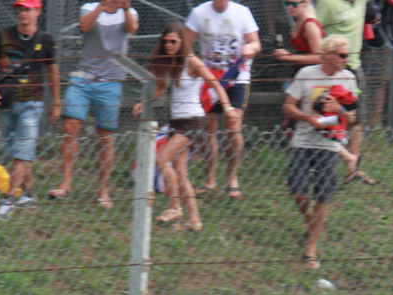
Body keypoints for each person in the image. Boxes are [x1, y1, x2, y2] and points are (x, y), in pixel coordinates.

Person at [133, 22, 235, 231]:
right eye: (166, 41)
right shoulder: (166, 63)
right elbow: (160, 89)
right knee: (180, 172)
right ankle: (195, 220)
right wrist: (144, 102)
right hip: (176, 121)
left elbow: (215, 84)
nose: (169, 45)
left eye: (174, 41)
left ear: (182, 42)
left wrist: (227, 107)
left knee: (162, 160)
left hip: (193, 121)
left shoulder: (192, 62)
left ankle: (174, 206)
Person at [50, 0, 138, 206]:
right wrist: (102, 6)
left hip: (111, 81)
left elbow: (132, 28)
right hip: (83, 77)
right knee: (70, 126)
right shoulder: (89, 8)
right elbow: (85, 26)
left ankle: (103, 190)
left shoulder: (129, 12)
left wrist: (124, 8)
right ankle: (66, 182)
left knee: (105, 136)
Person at [284, 35, 359, 269]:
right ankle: (311, 222)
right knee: (296, 189)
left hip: (329, 144)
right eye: (342, 55)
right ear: (328, 55)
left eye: (348, 55)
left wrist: (340, 110)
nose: (346, 60)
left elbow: (354, 117)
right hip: (303, 139)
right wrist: (307, 117)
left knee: (323, 196)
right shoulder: (306, 74)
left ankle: (311, 248)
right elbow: (287, 105)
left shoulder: (348, 78)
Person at [0, 0, 60, 221]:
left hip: (31, 102)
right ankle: (28, 193)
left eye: (27, 9)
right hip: (6, 100)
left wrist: (56, 102)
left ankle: (8, 200)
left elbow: (53, 71)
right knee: (15, 151)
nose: (23, 14)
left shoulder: (46, 41)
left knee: (22, 150)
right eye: (20, 9)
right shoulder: (3, 35)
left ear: (38, 11)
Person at [272, 0, 365, 177]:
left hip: (315, 78)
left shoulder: (310, 24)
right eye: (286, 3)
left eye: (293, 3)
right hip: (304, 77)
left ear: (306, 2)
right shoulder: (300, 21)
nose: (290, 7)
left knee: (315, 122)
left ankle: (342, 159)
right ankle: (317, 165)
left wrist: (291, 58)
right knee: (308, 123)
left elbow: (320, 58)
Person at [185, 0, 261, 200]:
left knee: (233, 126)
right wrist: (196, 66)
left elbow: (256, 43)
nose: (221, 2)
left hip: (237, 76)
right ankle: (210, 179)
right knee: (209, 129)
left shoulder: (243, 12)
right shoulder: (198, 13)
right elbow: (187, 45)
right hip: (209, 77)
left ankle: (232, 178)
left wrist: (250, 48)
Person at [315, 0, 379, 183]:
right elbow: (313, 30)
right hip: (332, 70)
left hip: (354, 67)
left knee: (356, 119)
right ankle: (316, 165)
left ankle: (353, 167)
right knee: (325, 116)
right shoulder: (328, 4)